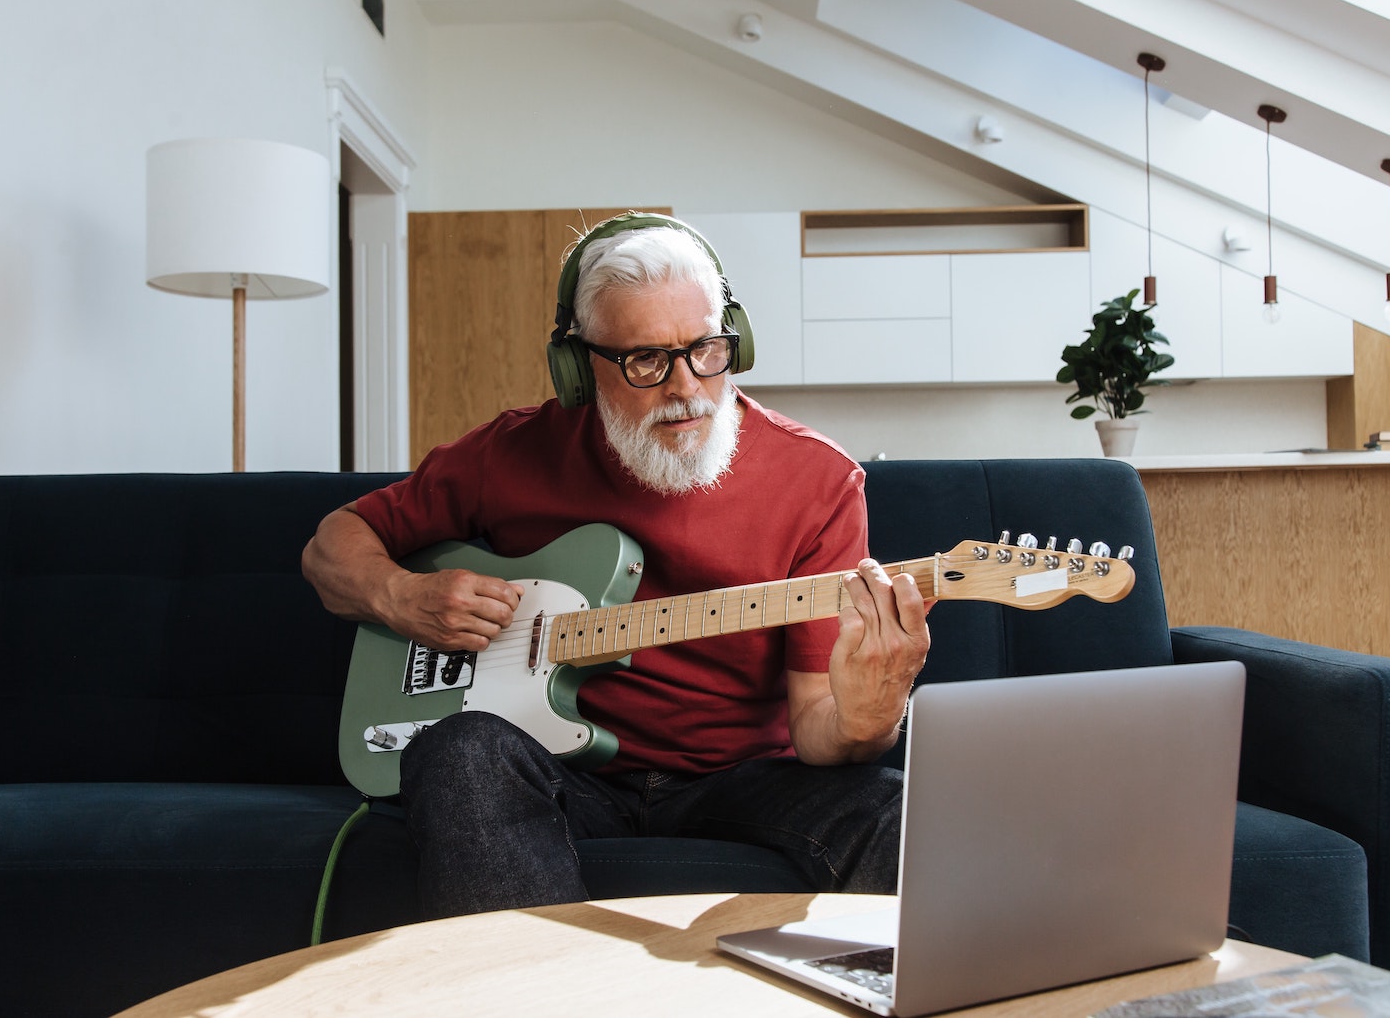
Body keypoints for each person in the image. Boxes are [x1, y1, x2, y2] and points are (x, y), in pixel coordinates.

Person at [302, 213, 930, 918]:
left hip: (742, 779)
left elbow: (819, 727)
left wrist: (869, 718)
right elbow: (333, 542)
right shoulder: (510, 454)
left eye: (707, 349)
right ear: (579, 367)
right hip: (561, 773)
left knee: (900, 811)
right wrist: (402, 596)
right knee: (461, 752)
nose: (686, 387)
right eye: (645, 360)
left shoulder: (818, 481)